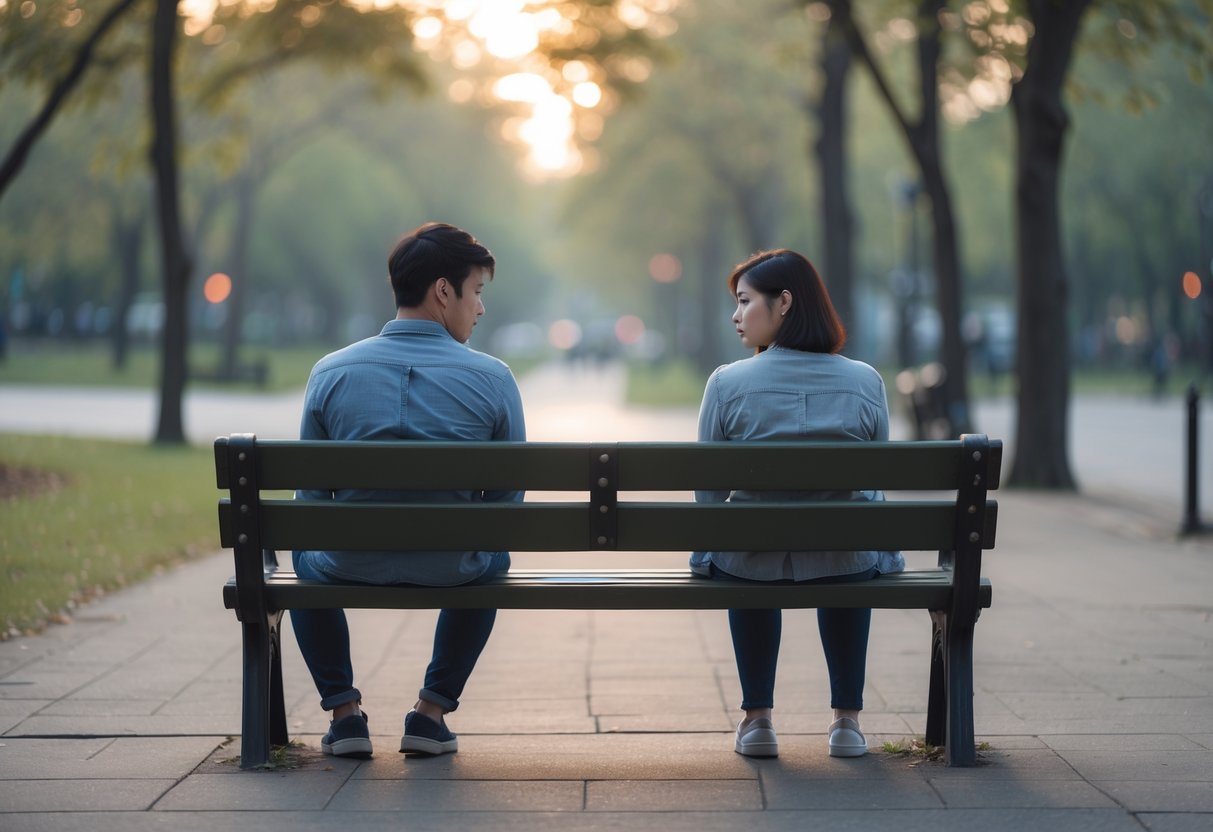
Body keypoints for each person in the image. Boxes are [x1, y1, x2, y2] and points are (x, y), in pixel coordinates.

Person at [291, 222, 525, 759]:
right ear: (444, 291)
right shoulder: (493, 379)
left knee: (302, 550)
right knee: (492, 551)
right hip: (455, 569)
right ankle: (431, 712)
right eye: (477, 292)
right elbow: (507, 507)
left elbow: (310, 502)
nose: (481, 308)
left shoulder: (329, 372)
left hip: (347, 563)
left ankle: (345, 716)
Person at [691, 248, 904, 759]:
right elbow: (877, 482)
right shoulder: (864, 381)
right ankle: (846, 723)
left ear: (783, 303)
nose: (736, 315)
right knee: (849, 546)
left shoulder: (726, 383)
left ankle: (758, 721)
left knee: (746, 555)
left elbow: (704, 491)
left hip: (750, 560)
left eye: (745, 302)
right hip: (844, 559)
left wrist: (704, 553)